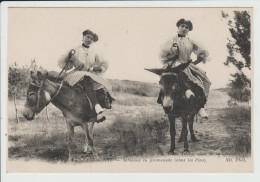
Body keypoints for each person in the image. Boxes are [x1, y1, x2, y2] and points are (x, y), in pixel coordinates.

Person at [159, 18, 211, 119]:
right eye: (182, 26)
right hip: (174, 64)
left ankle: (200, 107)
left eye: (186, 27)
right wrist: (171, 58)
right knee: (167, 80)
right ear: (178, 28)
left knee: (206, 80)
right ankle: (165, 104)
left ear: (188, 30)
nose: (184, 29)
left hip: (187, 64)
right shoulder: (171, 40)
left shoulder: (191, 42)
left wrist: (194, 63)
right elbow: (163, 55)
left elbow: (203, 53)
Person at [57, 29, 113, 121]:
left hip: (89, 73)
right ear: (83, 37)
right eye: (88, 37)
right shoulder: (75, 49)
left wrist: (98, 68)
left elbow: (105, 63)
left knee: (101, 86)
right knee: (85, 79)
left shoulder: (94, 52)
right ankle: (96, 107)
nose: (89, 40)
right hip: (76, 74)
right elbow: (62, 61)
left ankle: (97, 109)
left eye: (92, 39)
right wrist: (71, 64)